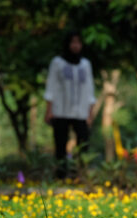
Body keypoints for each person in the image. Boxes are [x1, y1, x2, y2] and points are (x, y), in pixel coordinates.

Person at [44, 31, 96, 179]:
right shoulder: (57, 63)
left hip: (81, 111)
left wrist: (90, 111)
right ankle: (60, 175)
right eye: (73, 42)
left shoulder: (86, 64)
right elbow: (51, 86)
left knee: (83, 143)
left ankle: (79, 173)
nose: (76, 46)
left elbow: (89, 88)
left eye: (78, 42)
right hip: (60, 110)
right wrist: (49, 110)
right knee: (60, 144)